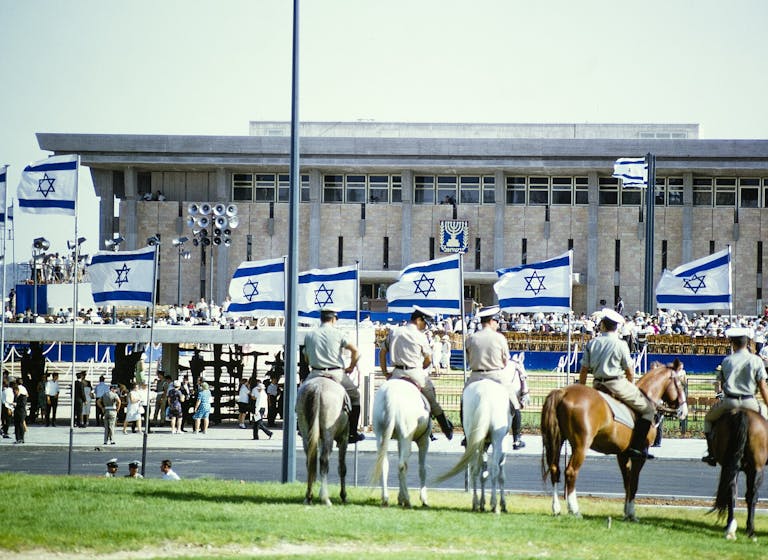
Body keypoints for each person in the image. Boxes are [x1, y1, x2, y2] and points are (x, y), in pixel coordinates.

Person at [578, 308, 655, 460]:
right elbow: (630, 372)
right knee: (648, 410)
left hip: (597, 385)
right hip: (616, 384)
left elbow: (584, 371)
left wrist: (582, 388)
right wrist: (631, 385)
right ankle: (638, 446)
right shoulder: (621, 344)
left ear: (603, 326)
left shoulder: (592, 343)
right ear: (616, 327)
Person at [379, 306, 453, 440]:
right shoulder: (420, 336)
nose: (425, 326)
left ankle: (382, 425)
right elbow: (428, 359)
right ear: (419, 320)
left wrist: (385, 372)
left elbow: (382, 352)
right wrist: (422, 367)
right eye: (425, 323)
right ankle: (446, 427)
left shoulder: (394, 332)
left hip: (396, 374)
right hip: (415, 373)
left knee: (383, 399)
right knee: (432, 400)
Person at [701, 327, 768, 466]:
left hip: (729, 402)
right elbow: (763, 387)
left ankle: (711, 453)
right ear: (747, 343)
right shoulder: (756, 360)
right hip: (750, 402)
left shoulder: (727, 361)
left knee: (708, 420)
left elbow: (722, 383)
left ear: (733, 343)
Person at [300, 306, 365, 443]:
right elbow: (356, 351)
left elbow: (306, 357)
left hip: (315, 372)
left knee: (300, 397)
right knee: (354, 397)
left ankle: (301, 425)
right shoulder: (338, 333)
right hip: (336, 373)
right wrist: (351, 367)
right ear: (334, 319)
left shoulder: (310, 334)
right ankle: (352, 432)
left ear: (321, 318)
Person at [464, 306, 519, 445]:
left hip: (475, 376)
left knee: (464, 402)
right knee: (514, 402)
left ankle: (466, 436)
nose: (498, 324)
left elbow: (467, 360)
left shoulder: (471, 338)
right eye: (497, 321)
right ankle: (517, 437)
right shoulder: (500, 338)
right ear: (492, 321)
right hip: (496, 376)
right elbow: (505, 360)